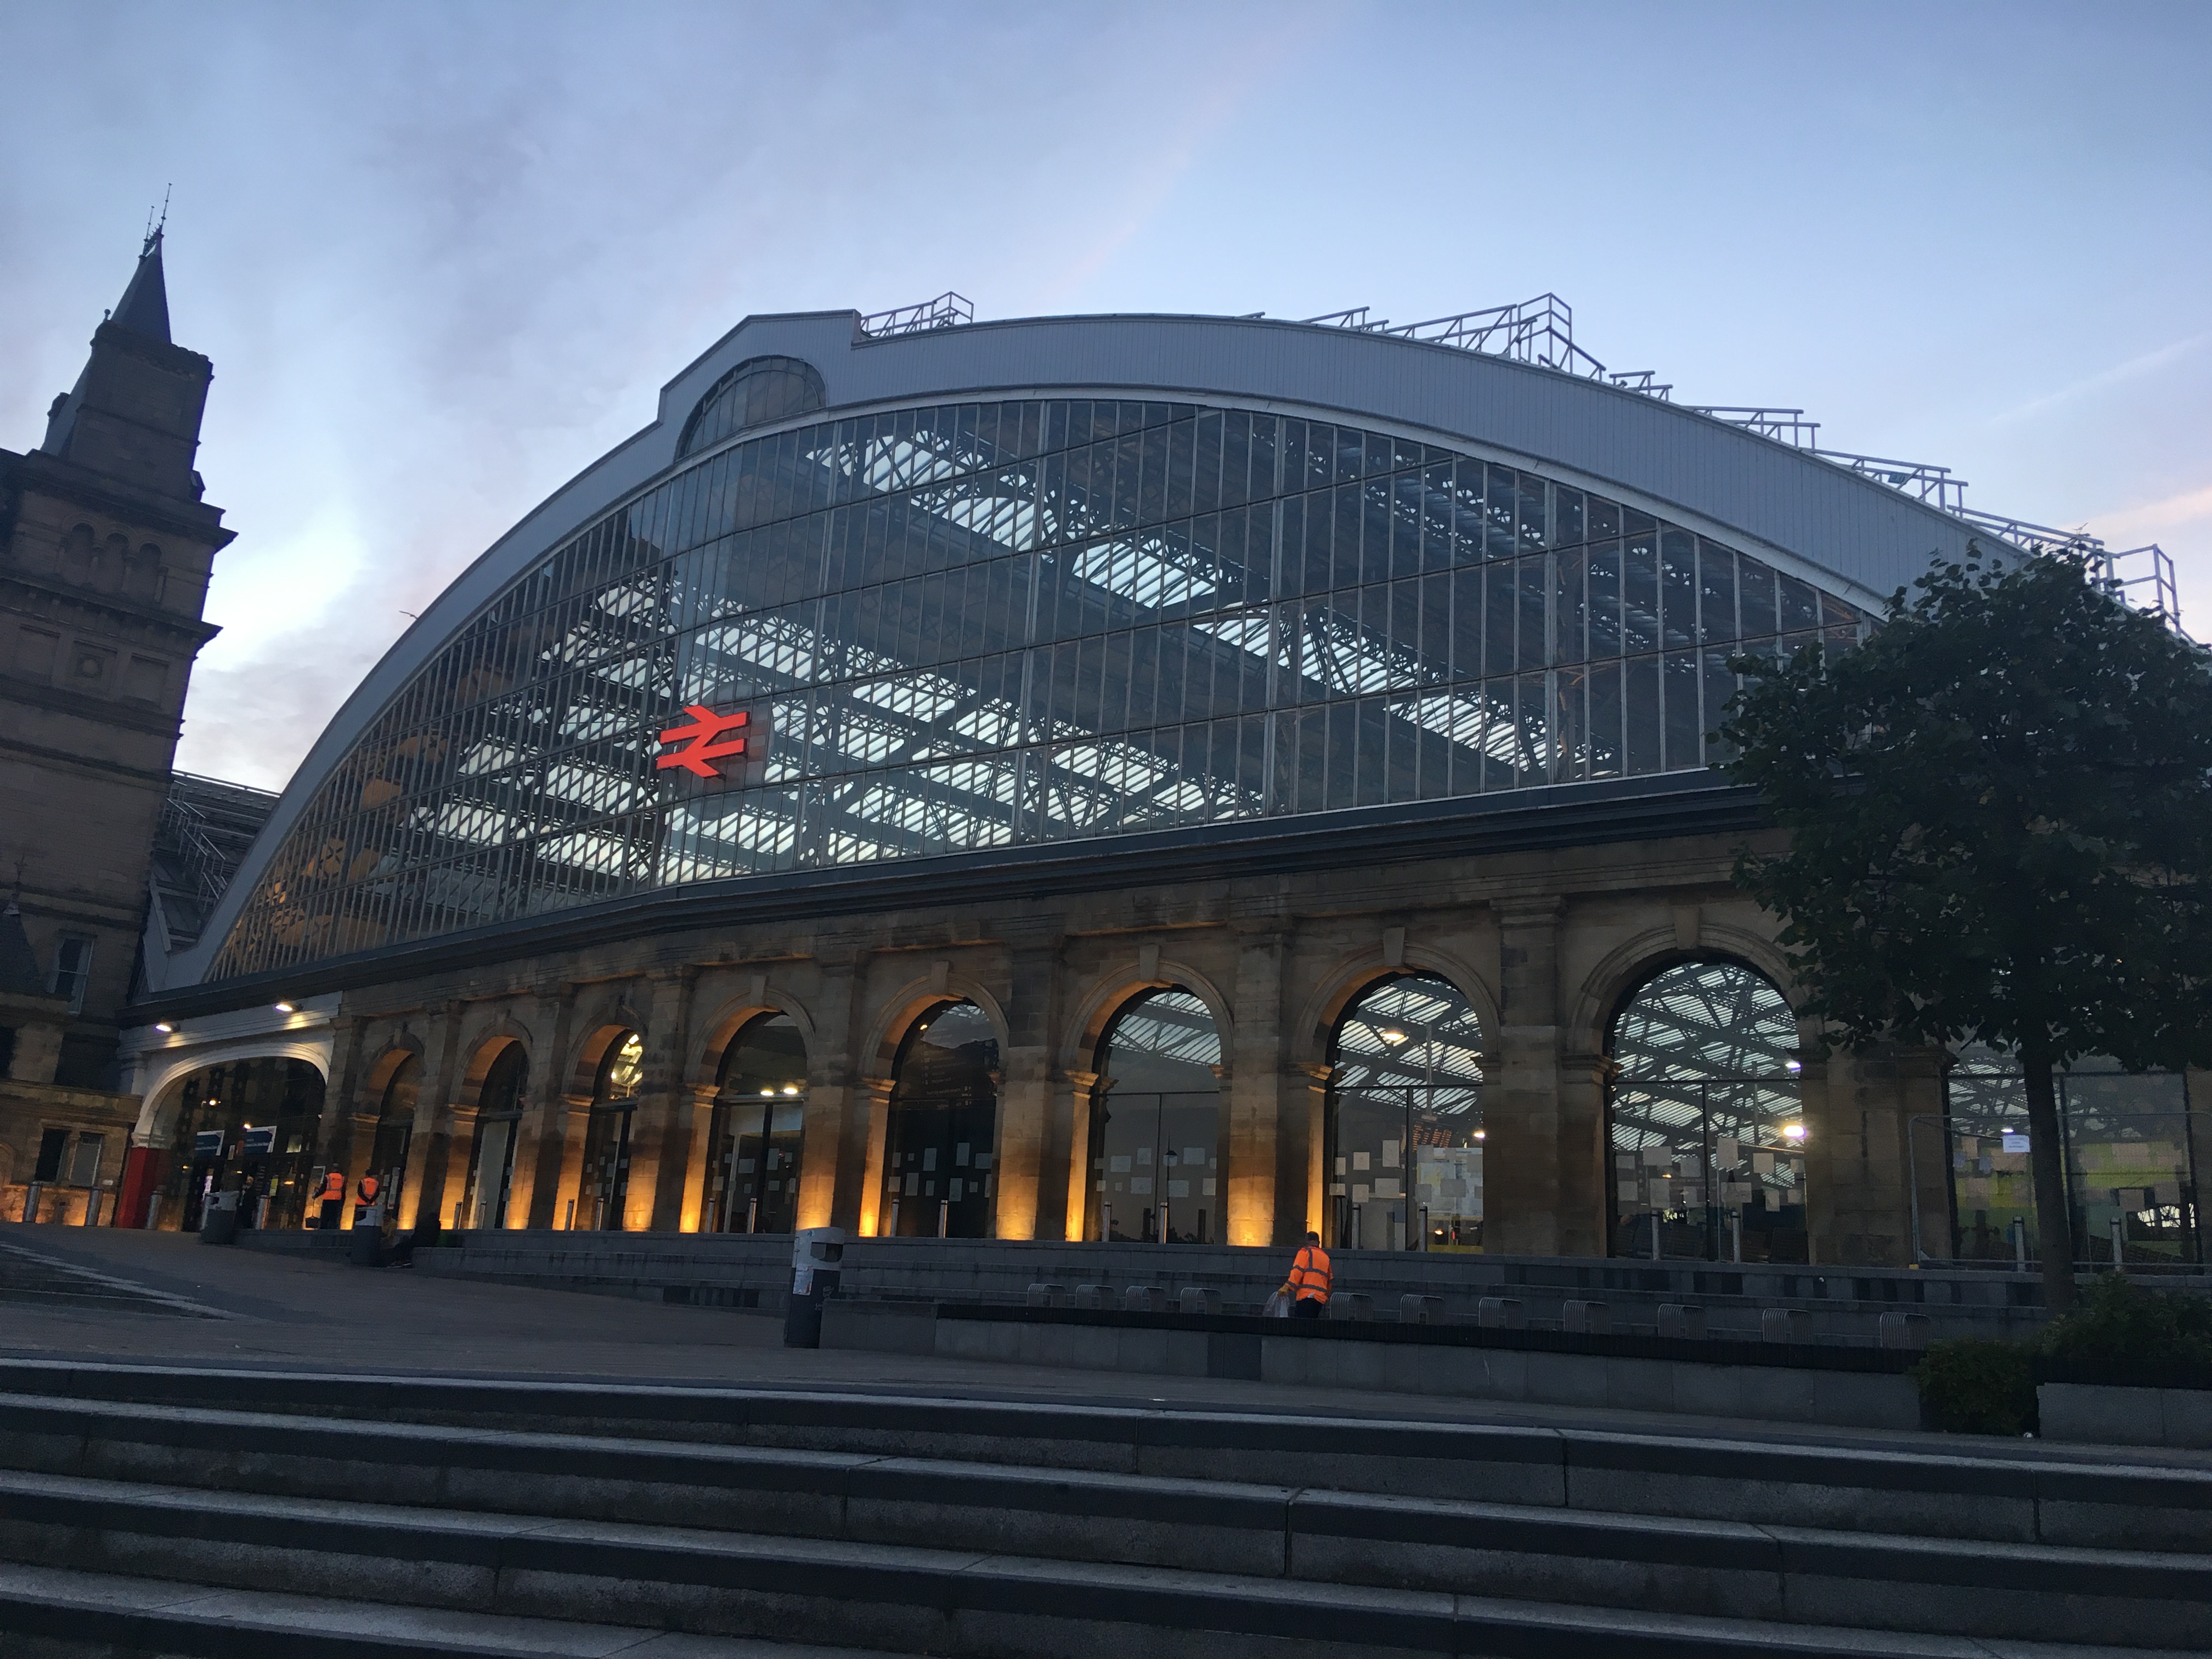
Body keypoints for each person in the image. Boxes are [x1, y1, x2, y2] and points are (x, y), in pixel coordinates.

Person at [1280, 1231, 1331, 1318]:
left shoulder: (1305, 1252)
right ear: (1318, 1242)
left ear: (1307, 1241)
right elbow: (1330, 1280)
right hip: (1319, 1299)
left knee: (1302, 1326)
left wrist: (1287, 1286)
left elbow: (1297, 1271)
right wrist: (1325, 1296)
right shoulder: (1325, 1257)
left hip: (1306, 1296)